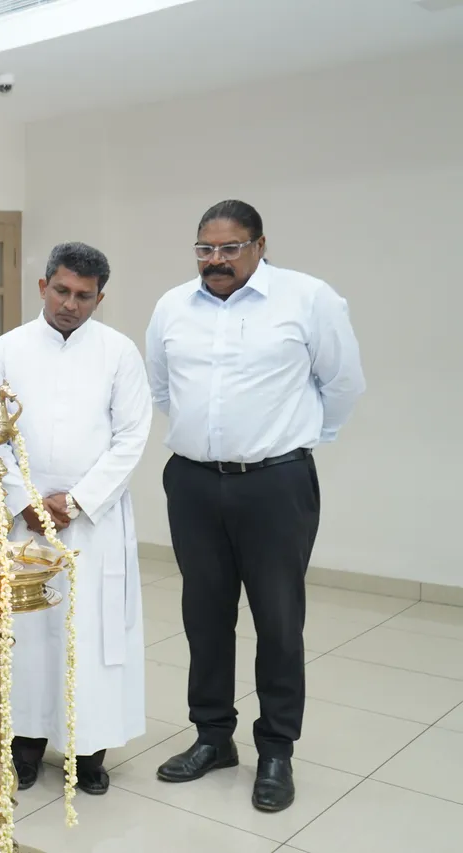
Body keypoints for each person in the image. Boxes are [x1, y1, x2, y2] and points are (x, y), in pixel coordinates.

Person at [146, 200, 365, 812]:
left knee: (277, 620)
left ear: (261, 245)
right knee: (205, 617)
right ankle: (213, 737)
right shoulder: (172, 307)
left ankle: (276, 751)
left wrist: (288, 443)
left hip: (276, 485)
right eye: (204, 249)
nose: (215, 261)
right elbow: (161, 386)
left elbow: (343, 383)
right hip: (192, 483)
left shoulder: (307, 299)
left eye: (230, 248)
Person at [0, 242, 150, 796]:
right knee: (29, 634)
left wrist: (75, 501)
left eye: (85, 296)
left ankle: (89, 751)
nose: (71, 304)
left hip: (93, 522)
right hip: (25, 522)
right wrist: (26, 501)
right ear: (42, 286)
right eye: (62, 290)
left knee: (90, 633)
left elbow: (131, 437)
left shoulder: (119, 353)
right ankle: (26, 746)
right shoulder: (7, 350)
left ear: (100, 298)